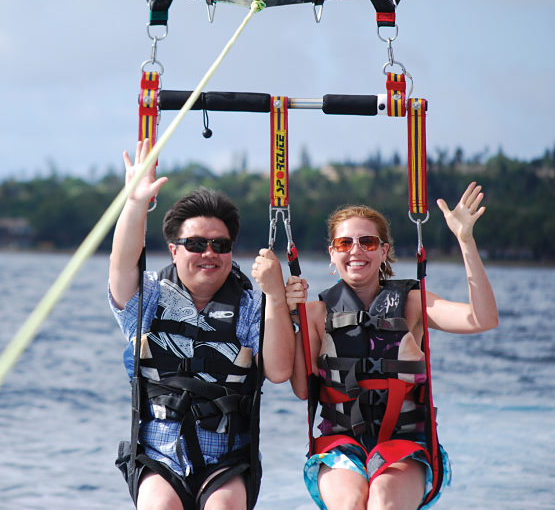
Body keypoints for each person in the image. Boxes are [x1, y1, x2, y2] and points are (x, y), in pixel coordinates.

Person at [266, 182, 499, 510]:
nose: (356, 250)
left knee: (384, 502)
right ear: (332, 253)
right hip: (341, 445)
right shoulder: (315, 314)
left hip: (405, 444)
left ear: (384, 251)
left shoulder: (413, 304)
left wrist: (466, 241)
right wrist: (287, 315)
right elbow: (303, 390)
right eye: (345, 242)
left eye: (368, 242)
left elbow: (482, 319)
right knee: (349, 504)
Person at [109, 139, 296, 510]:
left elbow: (277, 372)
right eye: (195, 244)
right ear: (174, 250)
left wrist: (275, 296)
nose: (208, 253)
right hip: (158, 458)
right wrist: (135, 204)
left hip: (226, 461)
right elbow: (123, 264)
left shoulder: (251, 305)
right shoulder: (148, 298)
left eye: (220, 245)